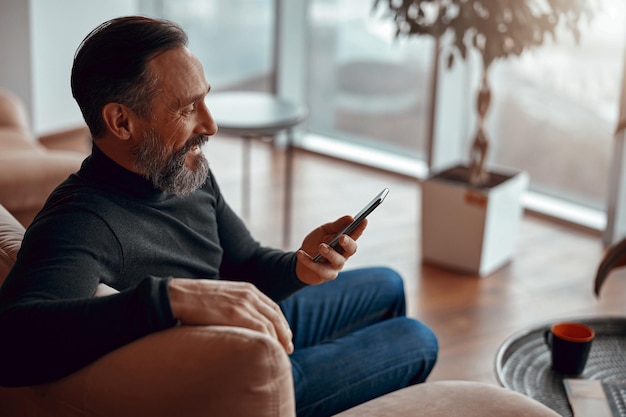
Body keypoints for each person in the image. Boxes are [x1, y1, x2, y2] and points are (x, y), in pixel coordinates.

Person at [0, 16, 438, 417]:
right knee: (417, 338)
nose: (210, 125)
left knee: (388, 283)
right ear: (120, 121)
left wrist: (300, 266)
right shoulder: (80, 221)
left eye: (204, 100)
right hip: (232, 381)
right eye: (187, 108)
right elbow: (13, 344)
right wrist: (170, 298)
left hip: (241, 325)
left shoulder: (181, 173)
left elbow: (244, 263)